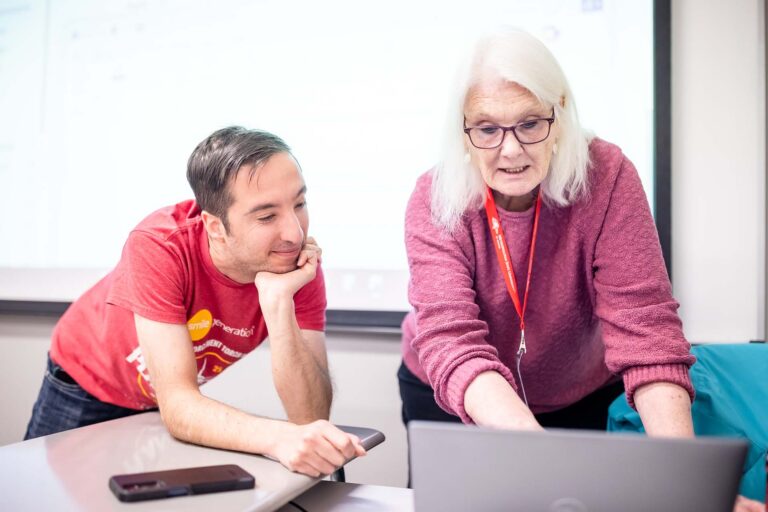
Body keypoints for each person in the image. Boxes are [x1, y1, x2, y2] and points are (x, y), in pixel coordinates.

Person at [398, 28, 764, 510]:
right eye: (486, 128)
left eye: (530, 123)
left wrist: (688, 484)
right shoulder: (435, 198)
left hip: (580, 391)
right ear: (463, 130)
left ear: (561, 112)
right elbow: (454, 346)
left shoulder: (607, 177)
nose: (510, 150)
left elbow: (646, 330)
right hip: (457, 394)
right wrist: (549, 458)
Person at [25, 126, 365, 477]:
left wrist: (279, 305)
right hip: (85, 383)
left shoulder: (294, 264)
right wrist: (278, 438)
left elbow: (310, 417)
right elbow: (179, 406)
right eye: (266, 217)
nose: (295, 233)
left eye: (299, 204)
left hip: (157, 402)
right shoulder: (160, 246)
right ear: (215, 227)